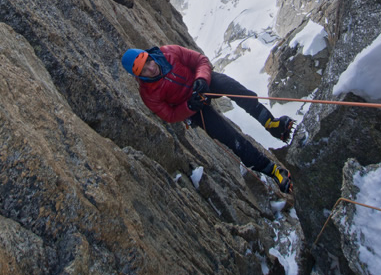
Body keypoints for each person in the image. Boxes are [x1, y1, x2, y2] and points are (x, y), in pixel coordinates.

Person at [121, 44, 294, 193]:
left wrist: (202, 79)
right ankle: (274, 172)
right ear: (139, 76)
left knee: (232, 87)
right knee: (232, 140)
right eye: (143, 70)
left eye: (148, 61)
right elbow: (170, 115)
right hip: (193, 109)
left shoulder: (169, 52)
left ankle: (272, 124)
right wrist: (189, 107)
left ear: (150, 55)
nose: (150, 69)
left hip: (203, 83)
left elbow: (200, 60)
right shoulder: (148, 94)